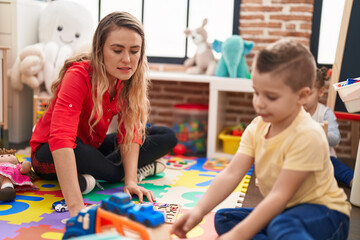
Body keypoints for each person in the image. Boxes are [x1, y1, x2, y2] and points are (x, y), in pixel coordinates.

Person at [172, 39, 351, 240]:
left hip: (327, 215)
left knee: (276, 225)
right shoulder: (258, 126)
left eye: (271, 97)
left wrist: (238, 235)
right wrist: (198, 211)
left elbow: (279, 196)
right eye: (256, 93)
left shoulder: (308, 134)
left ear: (302, 96)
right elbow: (231, 174)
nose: (259, 103)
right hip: (284, 213)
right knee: (225, 219)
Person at [29, 12, 177, 217]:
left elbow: (130, 131)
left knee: (166, 135)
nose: (127, 60)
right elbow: (61, 139)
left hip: (91, 147)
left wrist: (131, 182)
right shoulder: (78, 75)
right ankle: (108, 171)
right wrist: (75, 207)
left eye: (135, 51)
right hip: (49, 152)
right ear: (100, 50)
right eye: (117, 50)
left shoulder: (126, 80)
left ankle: (98, 174)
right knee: (111, 167)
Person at [304, 67, 354, 188]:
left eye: (309, 94)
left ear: (321, 92)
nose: (303, 98)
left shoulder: (325, 113)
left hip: (324, 158)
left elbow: (335, 139)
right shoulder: (293, 112)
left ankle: (354, 183)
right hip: (300, 158)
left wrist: (319, 131)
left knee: (340, 169)